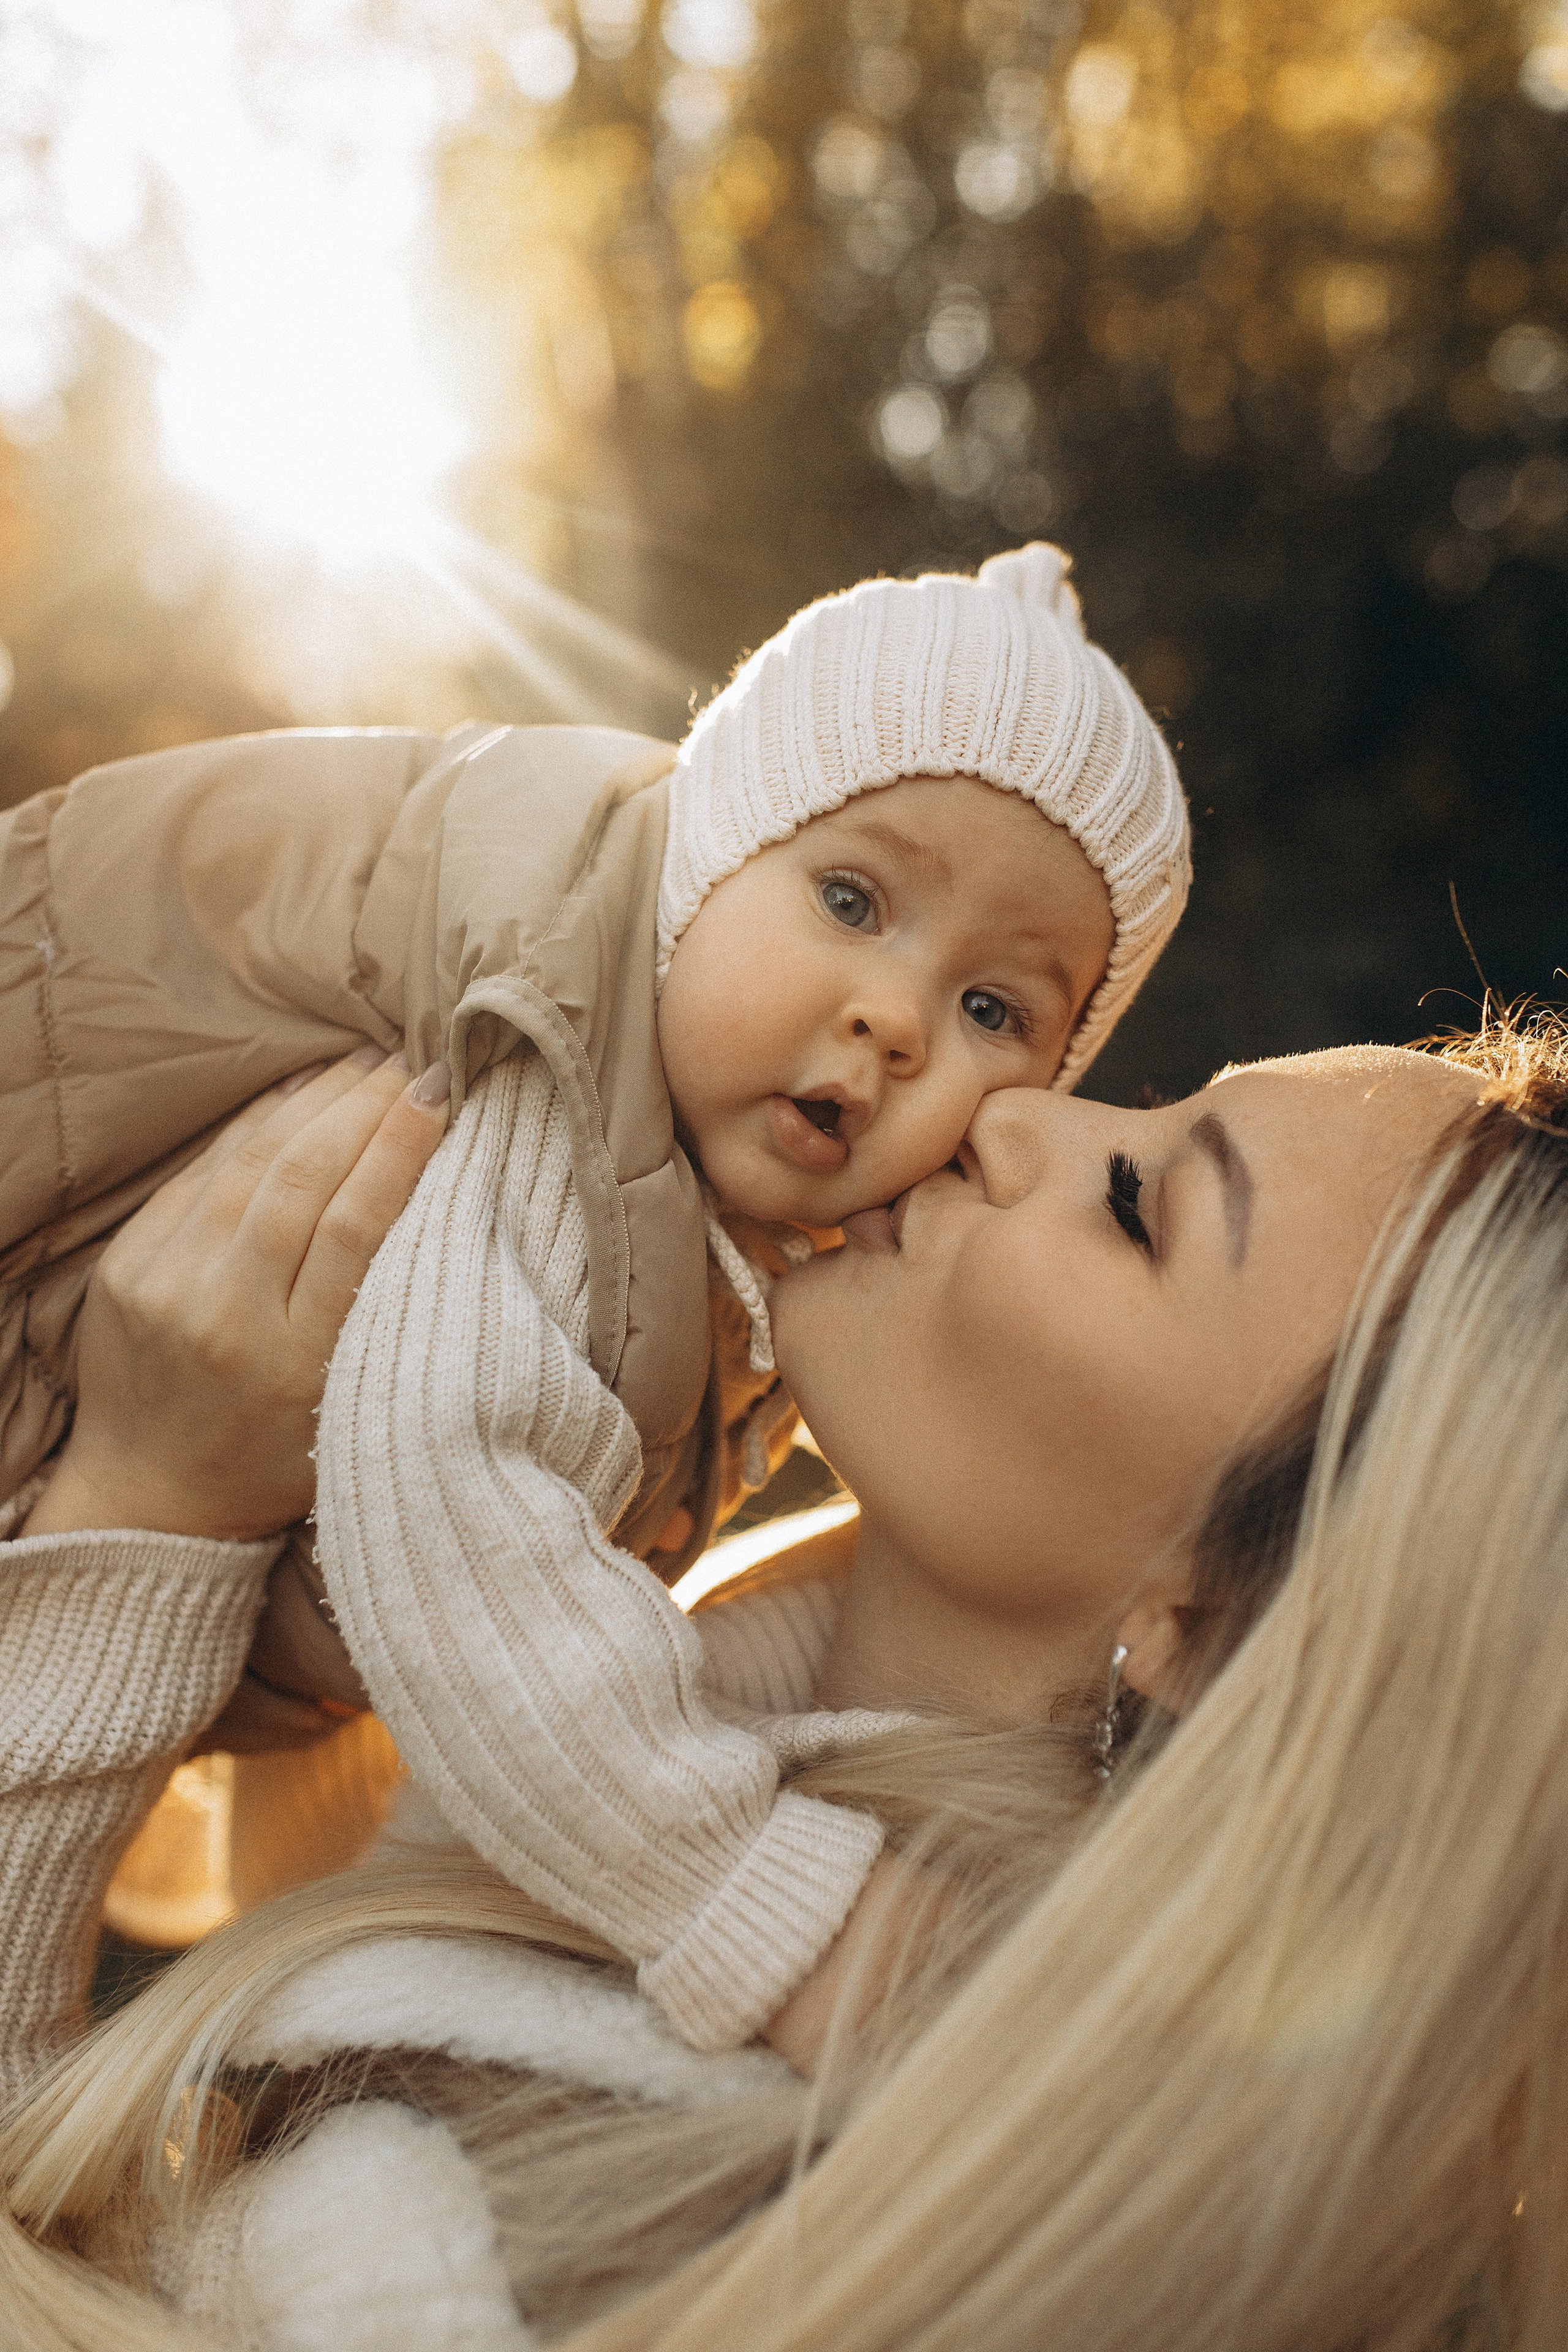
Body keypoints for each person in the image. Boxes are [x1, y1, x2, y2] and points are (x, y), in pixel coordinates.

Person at [4, 1005, 1566, 2351]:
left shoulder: (632, 2224)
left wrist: (145, 1511)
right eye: (1148, 1105)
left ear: (1213, 1623)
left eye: (1135, 1205)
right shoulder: (671, 1758)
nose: (1011, 1113)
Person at [2, 541, 1190, 2053]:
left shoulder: (710, 1234)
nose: (892, 1018)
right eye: (848, 895)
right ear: (708, 860)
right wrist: (743, 1895)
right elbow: (445, 1530)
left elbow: (398, 1658)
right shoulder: (549, 1086)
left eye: (990, 1009)